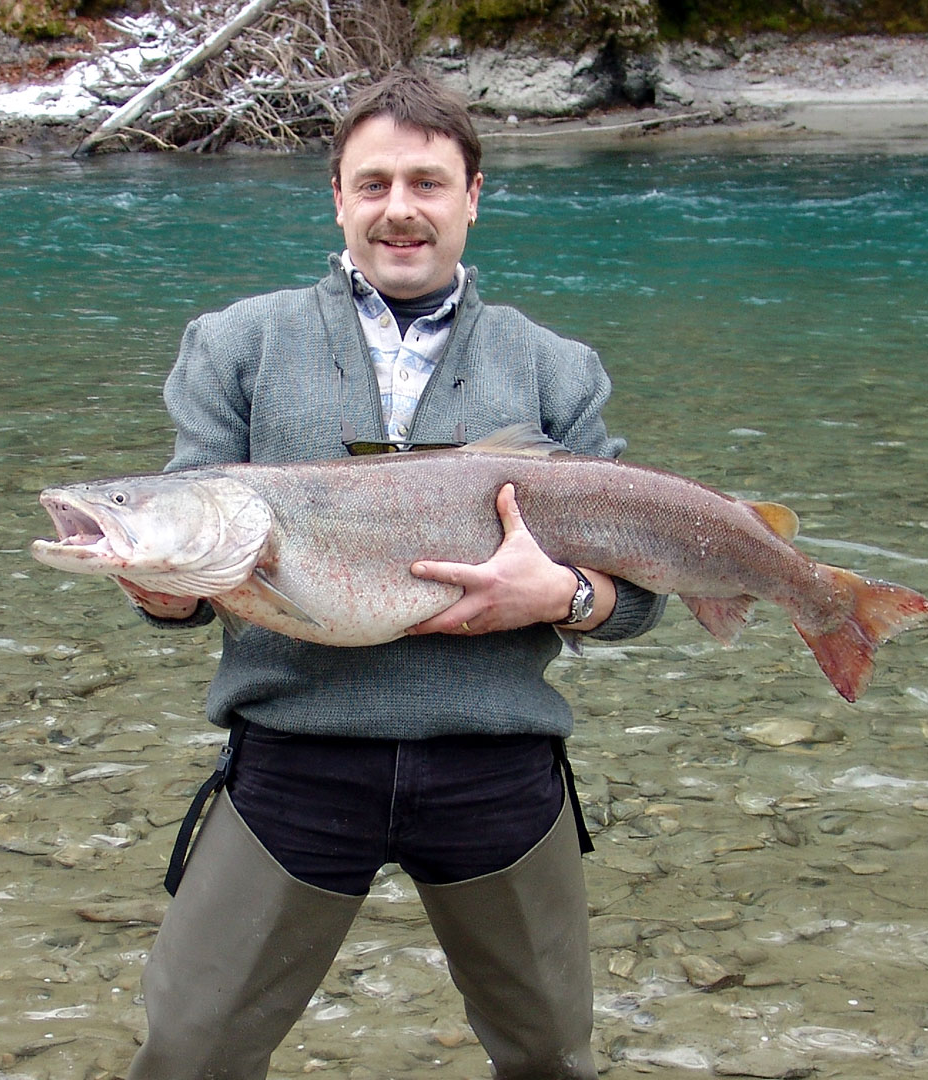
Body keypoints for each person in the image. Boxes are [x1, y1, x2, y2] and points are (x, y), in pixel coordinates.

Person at [117, 70, 666, 1080]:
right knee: (189, 1054)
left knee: (551, 1059)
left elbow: (640, 601)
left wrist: (565, 597)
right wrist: (161, 593)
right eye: (373, 184)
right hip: (295, 763)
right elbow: (191, 554)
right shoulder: (235, 345)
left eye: (427, 183)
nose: (399, 209)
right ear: (337, 196)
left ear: (473, 196)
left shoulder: (557, 368)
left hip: (497, 766)